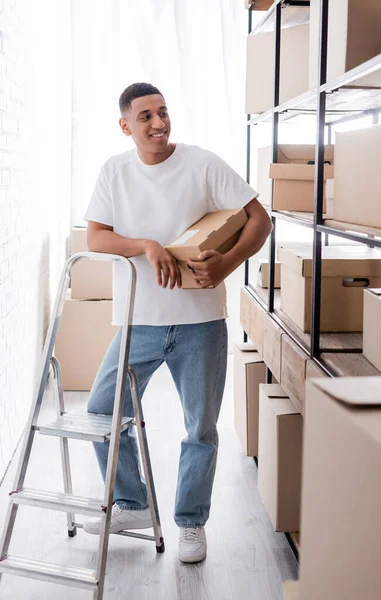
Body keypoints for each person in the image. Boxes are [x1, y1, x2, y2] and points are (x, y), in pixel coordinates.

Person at [82, 82, 272, 563]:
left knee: (200, 429)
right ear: (126, 126)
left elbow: (260, 220)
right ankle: (132, 503)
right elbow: (97, 238)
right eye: (145, 116)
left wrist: (227, 264)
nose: (159, 123)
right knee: (103, 412)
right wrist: (146, 245)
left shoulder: (202, 163)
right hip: (137, 320)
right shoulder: (114, 171)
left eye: (163, 112)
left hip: (201, 323)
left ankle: (191, 523)